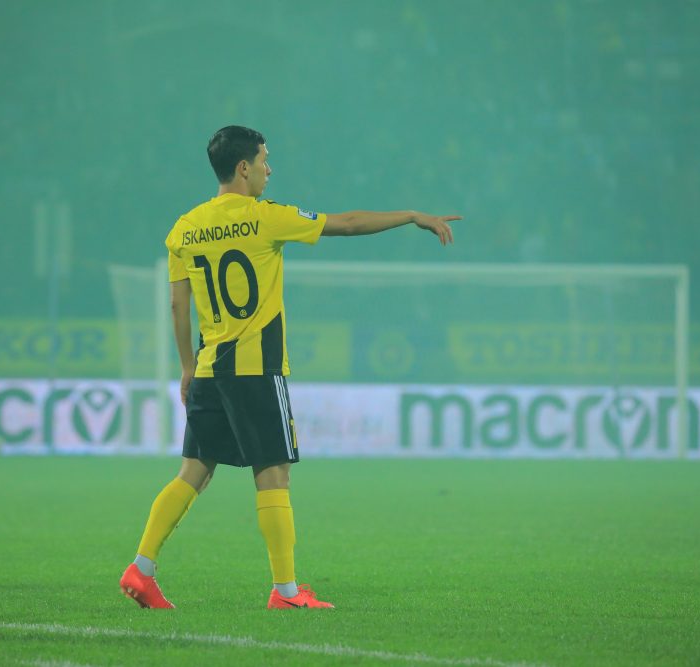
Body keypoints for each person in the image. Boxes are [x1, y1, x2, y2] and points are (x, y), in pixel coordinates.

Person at [120, 125, 460, 610]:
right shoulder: (267, 218)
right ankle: (285, 592)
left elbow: (179, 305)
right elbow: (347, 223)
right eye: (264, 160)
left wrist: (186, 367)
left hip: (209, 367)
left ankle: (142, 567)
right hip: (256, 368)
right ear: (244, 168)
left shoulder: (185, 228)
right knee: (274, 474)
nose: (269, 169)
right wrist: (410, 215)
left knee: (192, 472)